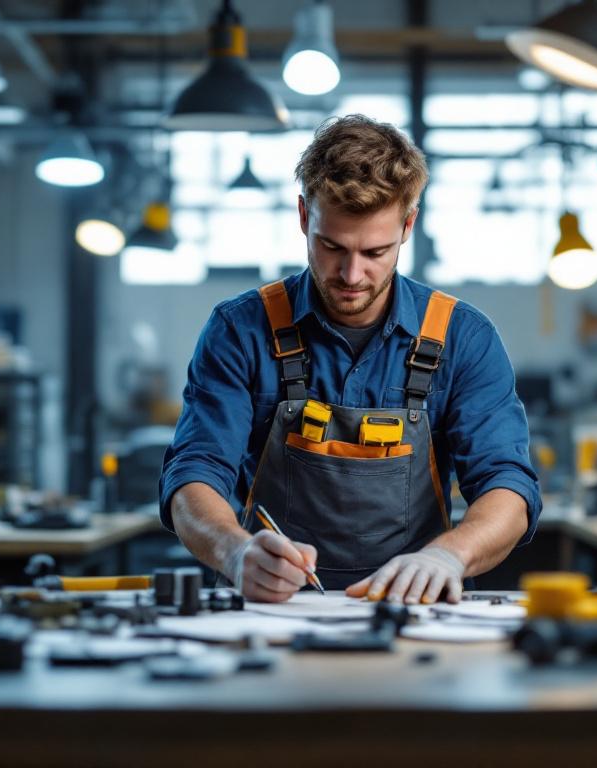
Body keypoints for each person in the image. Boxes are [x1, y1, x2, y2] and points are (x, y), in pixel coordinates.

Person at [159, 114, 541, 604]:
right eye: (331, 245)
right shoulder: (240, 329)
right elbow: (194, 471)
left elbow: (508, 485)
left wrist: (449, 556)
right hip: (273, 614)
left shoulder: (462, 338)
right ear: (303, 217)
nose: (352, 274)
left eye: (376, 251)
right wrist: (235, 552)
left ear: (408, 225)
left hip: (414, 615)